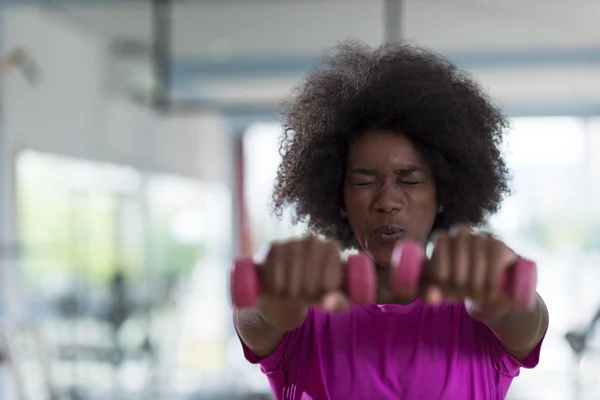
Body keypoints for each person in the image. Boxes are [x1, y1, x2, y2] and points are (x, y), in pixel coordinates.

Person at [233, 40, 549, 400]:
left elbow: (529, 322)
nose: (386, 201)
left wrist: (504, 298)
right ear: (339, 197)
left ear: (443, 193)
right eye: (364, 182)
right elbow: (256, 320)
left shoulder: (479, 308)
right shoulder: (304, 309)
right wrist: (272, 293)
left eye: (410, 180)